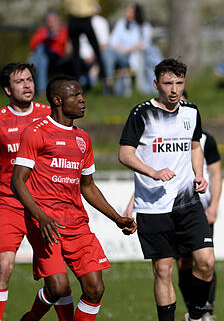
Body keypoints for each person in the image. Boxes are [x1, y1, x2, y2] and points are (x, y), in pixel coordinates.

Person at [11, 76, 136, 321]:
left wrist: (117, 218)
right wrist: (41, 216)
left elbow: (88, 187)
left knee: (95, 289)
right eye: (76, 95)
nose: (83, 100)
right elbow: (17, 181)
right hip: (46, 223)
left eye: (82, 94)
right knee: (58, 288)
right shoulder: (36, 132)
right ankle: (30, 318)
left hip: (77, 224)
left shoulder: (83, 139)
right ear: (58, 100)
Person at [118, 59, 215, 321]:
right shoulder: (141, 113)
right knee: (163, 270)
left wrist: (199, 175)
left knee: (206, 262)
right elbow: (125, 154)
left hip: (187, 202)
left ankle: (195, 315)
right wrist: (153, 172)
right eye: (168, 83)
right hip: (153, 205)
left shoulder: (191, 111)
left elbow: (195, 145)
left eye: (179, 83)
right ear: (156, 84)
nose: (174, 89)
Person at [0, 63, 51, 320]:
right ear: (8, 89)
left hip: (44, 206)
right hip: (8, 204)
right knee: (3, 266)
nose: (27, 85)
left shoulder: (49, 115)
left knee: (56, 281)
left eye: (30, 79)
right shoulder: (0, 120)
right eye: (20, 81)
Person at [64, 0, 107, 89]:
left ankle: (77, 83)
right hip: (85, 20)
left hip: (72, 20)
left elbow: (66, 4)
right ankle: (105, 81)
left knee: (75, 53)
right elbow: (94, 1)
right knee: (97, 50)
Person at [105, 3, 162, 95]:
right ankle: (108, 83)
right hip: (122, 54)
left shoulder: (144, 26)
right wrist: (123, 49)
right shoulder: (121, 23)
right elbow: (113, 40)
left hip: (137, 55)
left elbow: (145, 43)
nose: (126, 13)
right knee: (108, 52)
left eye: (129, 11)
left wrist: (134, 48)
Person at [29, 10, 71, 94]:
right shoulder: (43, 31)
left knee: (41, 48)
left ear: (59, 20)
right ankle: (42, 90)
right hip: (45, 58)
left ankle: (31, 70)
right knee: (43, 57)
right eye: (49, 21)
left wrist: (54, 36)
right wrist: (47, 35)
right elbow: (32, 45)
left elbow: (67, 48)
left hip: (58, 58)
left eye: (53, 21)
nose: (51, 23)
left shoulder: (64, 30)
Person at [78, 14, 110, 90]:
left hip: (94, 57)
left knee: (92, 80)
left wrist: (93, 57)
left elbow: (103, 44)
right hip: (82, 56)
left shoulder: (100, 22)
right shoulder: (78, 22)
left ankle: (105, 85)